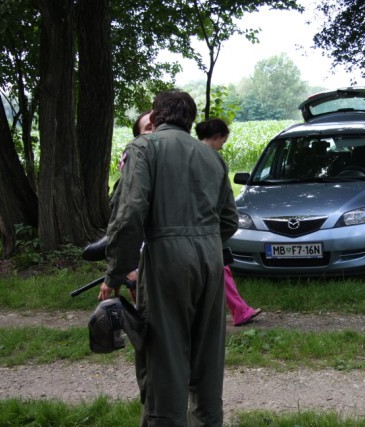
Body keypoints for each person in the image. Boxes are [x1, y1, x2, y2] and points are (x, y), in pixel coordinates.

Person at [98, 89, 239, 426]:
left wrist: (115, 273)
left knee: (164, 355)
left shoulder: (143, 148)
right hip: (211, 261)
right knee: (207, 356)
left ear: (156, 115)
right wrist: (202, 242)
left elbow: (129, 213)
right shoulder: (212, 157)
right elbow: (230, 221)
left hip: (166, 259)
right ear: (190, 120)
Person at [195, 118, 261, 327]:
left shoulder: (189, 154)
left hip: (194, 229)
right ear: (217, 137)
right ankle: (239, 311)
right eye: (223, 140)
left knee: (220, 270)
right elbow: (221, 200)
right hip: (207, 228)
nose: (223, 145)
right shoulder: (212, 160)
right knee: (220, 270)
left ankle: (239, 310)